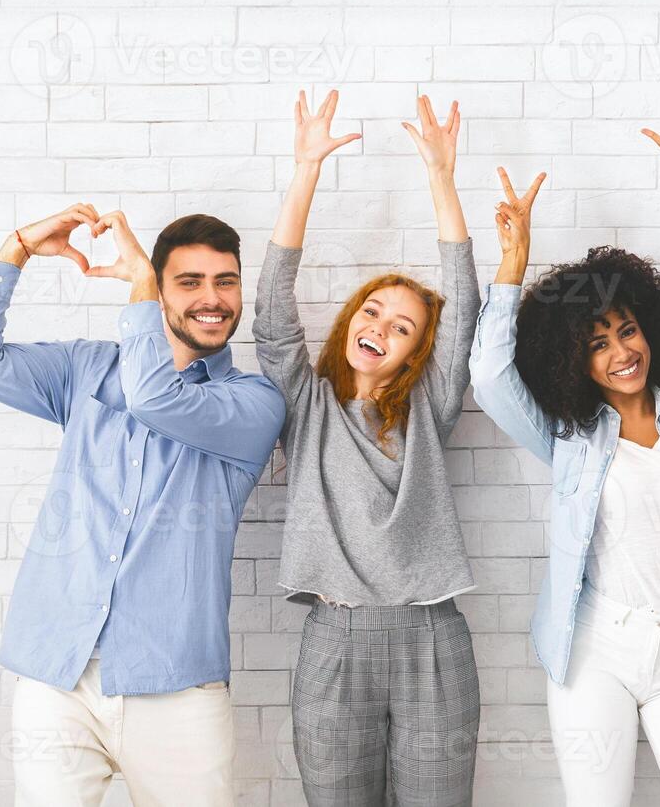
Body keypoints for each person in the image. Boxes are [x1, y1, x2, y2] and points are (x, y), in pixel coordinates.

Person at [0, 205, 285, 806]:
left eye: (225, 281)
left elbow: (155, 398)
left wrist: (142, 289)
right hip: (58, 676)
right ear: (161, 291)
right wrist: (16, 246)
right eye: (189, 282)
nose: (214, 298)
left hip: (175, 686)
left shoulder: (253, 403)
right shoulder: (86, 369)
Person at [466, 109, 660, 806]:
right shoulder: (570, 439)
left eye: (627, 331)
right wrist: (511, 267)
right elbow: (490, 379)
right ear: (574, 358)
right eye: (597, 343)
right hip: (596, 647)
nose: (621, 351)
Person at [253, 91, 482, 806]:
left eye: (406, 326)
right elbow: (270, 309)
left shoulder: (428, 410)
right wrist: (305, 171)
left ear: (417, 353)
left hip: (432, 640)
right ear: (353, 320)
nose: (383, 324)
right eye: (374, 309)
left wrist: (442, 179)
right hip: (335, 638)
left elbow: (464, 308)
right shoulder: (306, 401)